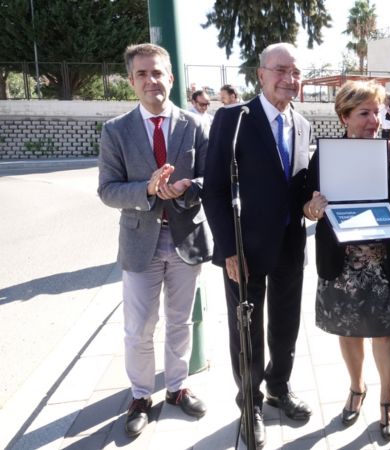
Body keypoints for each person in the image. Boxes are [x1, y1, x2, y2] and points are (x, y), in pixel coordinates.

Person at [97, 43, 212, 438]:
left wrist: (189, 187)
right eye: (143, 74)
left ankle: (177, 388)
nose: (152, 81)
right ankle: (142, 396)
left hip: (185, 240)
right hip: (140, 242)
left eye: (158, 72)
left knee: (180, 321)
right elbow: (108, 190)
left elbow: (210, 177)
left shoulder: (194, 125)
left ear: (171, 78)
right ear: (131, 81)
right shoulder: (116, 130)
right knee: (140, 328)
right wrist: (146, 189)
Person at [203, 43, 312, 448]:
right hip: (244, 249)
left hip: (290, 245)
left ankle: (278, 388)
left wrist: (313, 203)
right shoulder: (234, 119)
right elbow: (213, 190)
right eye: (281, 69)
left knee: (286, 324)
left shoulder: (302, 125)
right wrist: (229, 249)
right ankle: (249, 404)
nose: (290, 78)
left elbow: (298, 187)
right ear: (261, 74)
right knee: (246, 329)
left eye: (296, 71)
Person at [303, 80, 390, 440]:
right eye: (364, 113)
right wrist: (312, 209)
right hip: (340, 264)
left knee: (384, 335)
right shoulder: (325, 154)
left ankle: (387, 398)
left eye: (379, 112)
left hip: (380, 263)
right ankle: (357, 388)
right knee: (347, 331)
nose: (374, 120)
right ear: (345, 117)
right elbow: (308, 206)